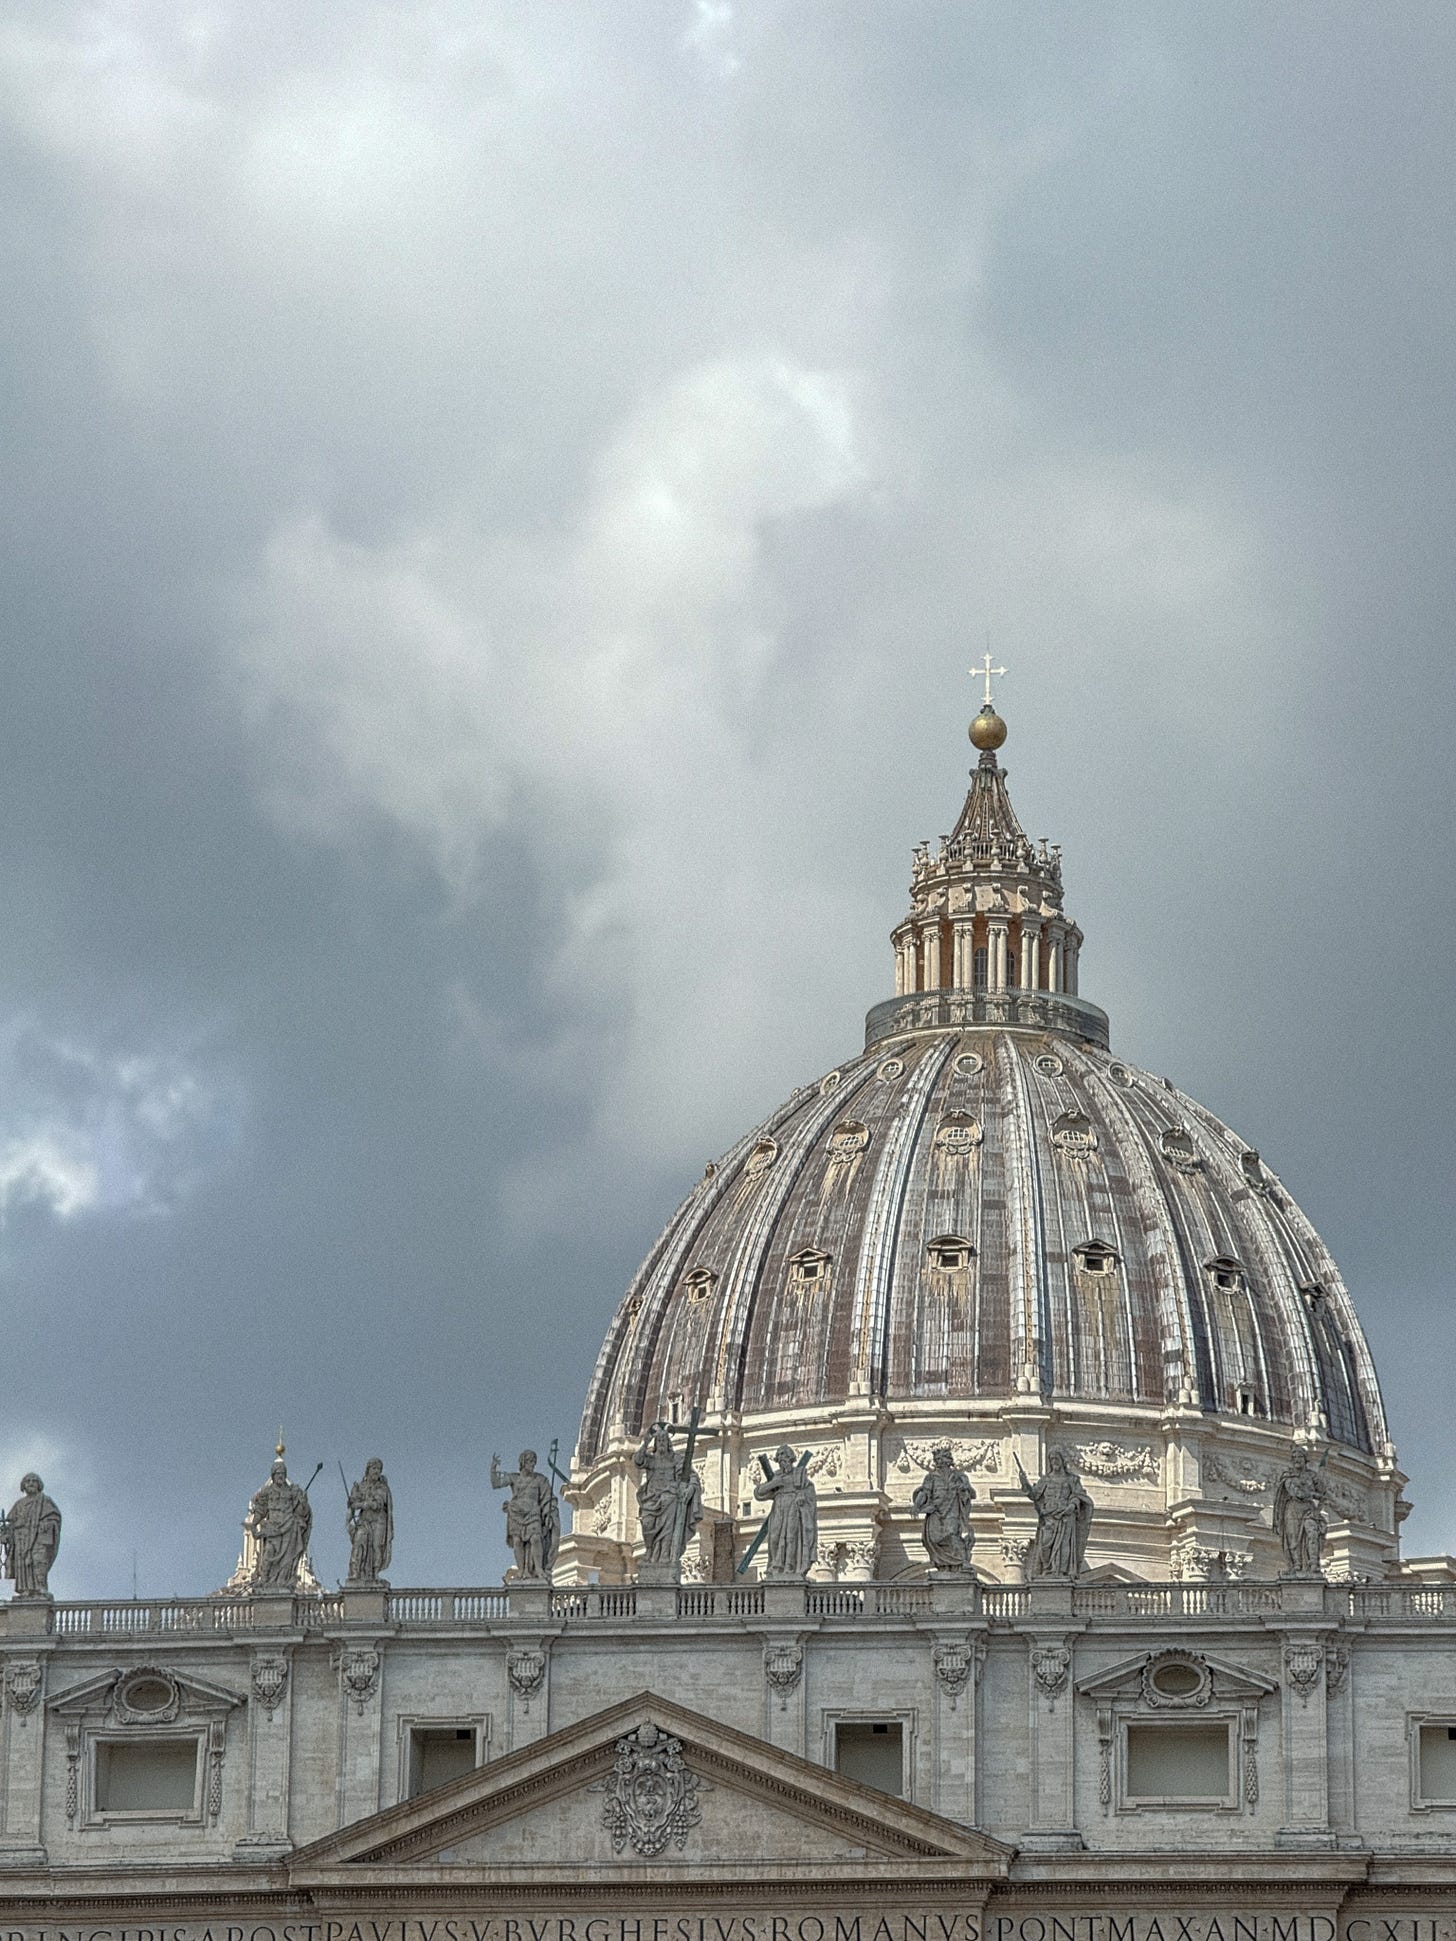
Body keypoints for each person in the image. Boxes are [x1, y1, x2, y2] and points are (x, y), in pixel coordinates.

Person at [634, 1423, 702, 1565]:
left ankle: (665, 1553)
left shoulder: (676, 1459)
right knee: (647, 1524)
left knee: (669, 1517)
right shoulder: (650, 1459)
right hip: (651, 1498)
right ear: (656, 1443)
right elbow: (638, 1460)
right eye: (659, 1441)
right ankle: (650, 1549)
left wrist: (691, 1488)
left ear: (669, 1443)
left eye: (664, 1440)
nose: (662, 1443)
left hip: (670, 1496)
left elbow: (691, 1476)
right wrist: (646, 1442)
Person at [1018, 1449, 1093, 1579]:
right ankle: (1047, 1569)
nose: (1054, 1462)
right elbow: (1034, 1495)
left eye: (1056, 1459)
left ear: (1062, 1460)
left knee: (1065, 1547)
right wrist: (1024, 1483)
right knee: (1045, 1546)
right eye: (1051, 1459)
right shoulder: (1045, 1480)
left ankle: (1060, 1572)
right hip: (1048, 1517)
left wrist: (1072, 1506)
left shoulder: (1072, 1479)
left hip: (1065, 1516)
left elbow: (1078, 1495)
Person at [490, 1450, 560, 1580]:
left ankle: (538, 1569)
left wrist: (549, 1513)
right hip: (516, 1513)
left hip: (533, 1513)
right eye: (529, 1461)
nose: (532, 1464)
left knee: (536, 1539)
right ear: (522, 1462)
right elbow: (496, 1483)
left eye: (534, 1461)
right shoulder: (514, 1478)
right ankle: (521, 1570)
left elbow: (548, 1498)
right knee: (517, 1542)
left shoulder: (540, 1480)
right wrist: (493, 1468)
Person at [247, 1458, 312, 1589]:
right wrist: (253, 1524)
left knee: (287, 1559)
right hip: (273, 1529)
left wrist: (303, 1502)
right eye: (278, 1474)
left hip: (289, 1528)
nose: (281, 1476)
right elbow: (261, 1510)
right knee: (269, 1553)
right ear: (273, 1476)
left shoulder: (293, 1491)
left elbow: (302, 1512)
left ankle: (282, 1581)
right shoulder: (267, 1492)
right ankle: (265, 1580)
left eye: (283, 1473)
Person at [753, 1446, 817, 1578]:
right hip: (778, 1508)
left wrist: (801, 1496)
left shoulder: (799, 1474)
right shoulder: (776, 1476)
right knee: (774, 1537)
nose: (782, 1458)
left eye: (784, 1455)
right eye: (779, 1455)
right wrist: (774, 1483)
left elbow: (809, 1490)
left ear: (790, 1458)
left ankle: (789, 1566)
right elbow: (759, 1493)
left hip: (793, 1509)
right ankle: (775, 1565)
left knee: (791, 1537)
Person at [912, 1445, 976, 1570]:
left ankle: (960, 1561)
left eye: (941, 1459)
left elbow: (972, 1493)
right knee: (933, 1538)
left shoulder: (959, 1477)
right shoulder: (931, 1477)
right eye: (937, 1460)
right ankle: (944, 1563)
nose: (938, 1462)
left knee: (952, 1535)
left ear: (948, 1460)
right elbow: (924, 1492)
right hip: (935, 1510)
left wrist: (964, 1489)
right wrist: (917, 1505)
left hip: (952, 1509)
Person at [3, 1473, 61, 1598]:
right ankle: (26, 1590)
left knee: (38, 1561)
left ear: (39, 1485)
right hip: (21, 1538)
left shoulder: (44, 1501)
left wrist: (47, 1524)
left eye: (33, 1481)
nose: (30, 1483)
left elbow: (54, 1517)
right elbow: (11, 1524)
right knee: (23, 1564)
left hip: (38, 1537)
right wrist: (7, 1535)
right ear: (23, 1485)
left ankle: (40, 1588)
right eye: (27, 1481)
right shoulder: (19, 1504)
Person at [1272, 1446, 1326, 1576]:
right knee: (1293, 1537)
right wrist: (1313, 1494)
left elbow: (1323, 1494)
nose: (1297, 1460)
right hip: (1292, 1509)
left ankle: (1313, 1563)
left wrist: (1319, 1492)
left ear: (1305, 1459)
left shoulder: (1312, 1476)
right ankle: (1296, 1564)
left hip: (1309, 1509)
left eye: (1300, 1457)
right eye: (1294, 1457)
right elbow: (1297, 1493)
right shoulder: (1288, 1476)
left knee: (1312, 1533)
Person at [345, 1458, 394, 1583]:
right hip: (365, 1521)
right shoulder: (361, 1486)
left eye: (378, 1469)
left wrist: (360, 1505)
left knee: (376, 1546)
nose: (376, 1471)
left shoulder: (382, 1488)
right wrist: (352, 1501)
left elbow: (377, 1504)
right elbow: (353, 1503)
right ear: (368, 1470)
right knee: (358, 1541)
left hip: (379, 1521)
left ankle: (375, 1574)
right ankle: (355, 1573)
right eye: (374, 1468)